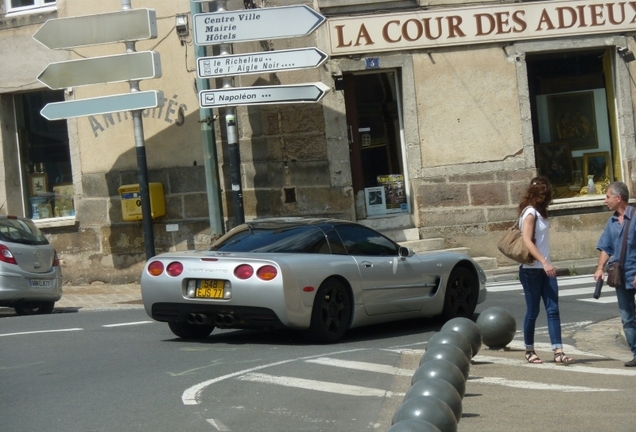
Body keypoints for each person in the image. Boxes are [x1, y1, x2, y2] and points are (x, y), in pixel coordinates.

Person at [518, 176, 574, 365]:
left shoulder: (540, 213)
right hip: (531, 270)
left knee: (553, 310)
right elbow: (527, 240)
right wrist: (544, 261)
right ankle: (529, 350)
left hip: (545, 269)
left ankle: (558, 351)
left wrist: (546, 263)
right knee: (533, 311)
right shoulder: (530, 213)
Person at [593, 181, 636, 367]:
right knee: (627, 318)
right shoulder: (611, 222)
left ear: (619, 198)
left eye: (607, 196)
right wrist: (600, 268)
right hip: (620, 276)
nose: (605, 200)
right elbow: (605, 247)